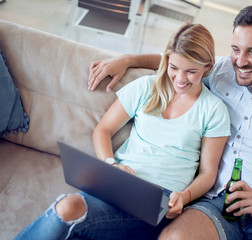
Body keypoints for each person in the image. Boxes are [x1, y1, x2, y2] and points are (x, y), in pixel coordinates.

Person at [87, 5, 252, 240]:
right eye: (236, 49)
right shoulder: (225, 69)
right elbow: (183, 63)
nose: (240, 60)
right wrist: (128, 60)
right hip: (216, 203)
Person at [14, 23, 231, 240]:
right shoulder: (147, 87)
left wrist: (184, 197)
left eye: (191, 71)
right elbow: (103, 130)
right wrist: (111, 165)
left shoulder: (213, 110)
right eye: (174, 68)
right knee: (70, 212)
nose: (180, 79)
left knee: (69, 208)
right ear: (166, 61)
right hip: (119, 185)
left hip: (161, 200)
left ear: (208, 66)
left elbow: (208, 173)